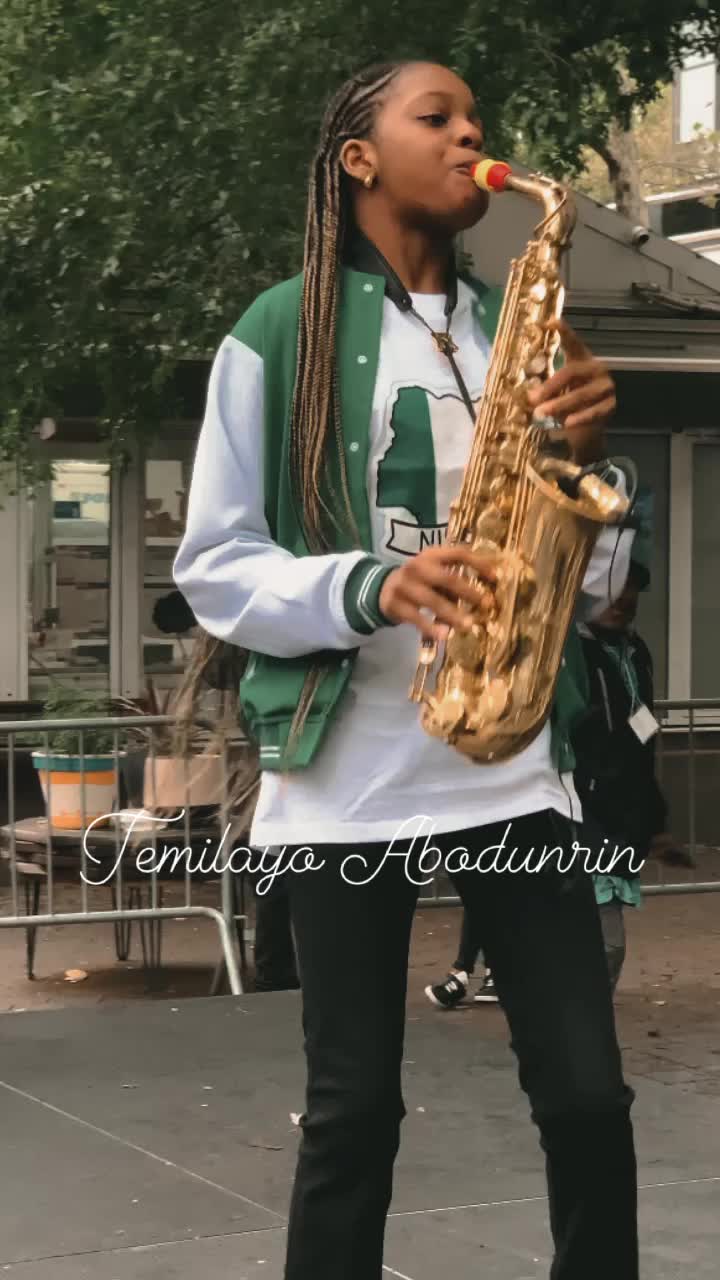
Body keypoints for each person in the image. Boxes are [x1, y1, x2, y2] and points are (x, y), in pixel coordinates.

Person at [174, 61, 639, 1280]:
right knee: (353, 1111)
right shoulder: (278, 330)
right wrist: (369, 585)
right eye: (437, 117)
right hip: (347, 775)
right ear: (359, 158)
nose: (471, 133)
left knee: (589, 1097)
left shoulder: (514, 327)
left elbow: (586, 583)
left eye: (475, 118)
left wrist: (590, 460)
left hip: (512, 763)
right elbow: (214, 565)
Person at [573, 558, 669, 992]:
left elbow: (642, 739)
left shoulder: (637, 651)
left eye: (630, 595)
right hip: (580, 814)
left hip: (621, 816)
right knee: (606, 945)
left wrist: (655, 822)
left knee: (597, 945)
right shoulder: (572, 654)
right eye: (610, 593)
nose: (621, 603)